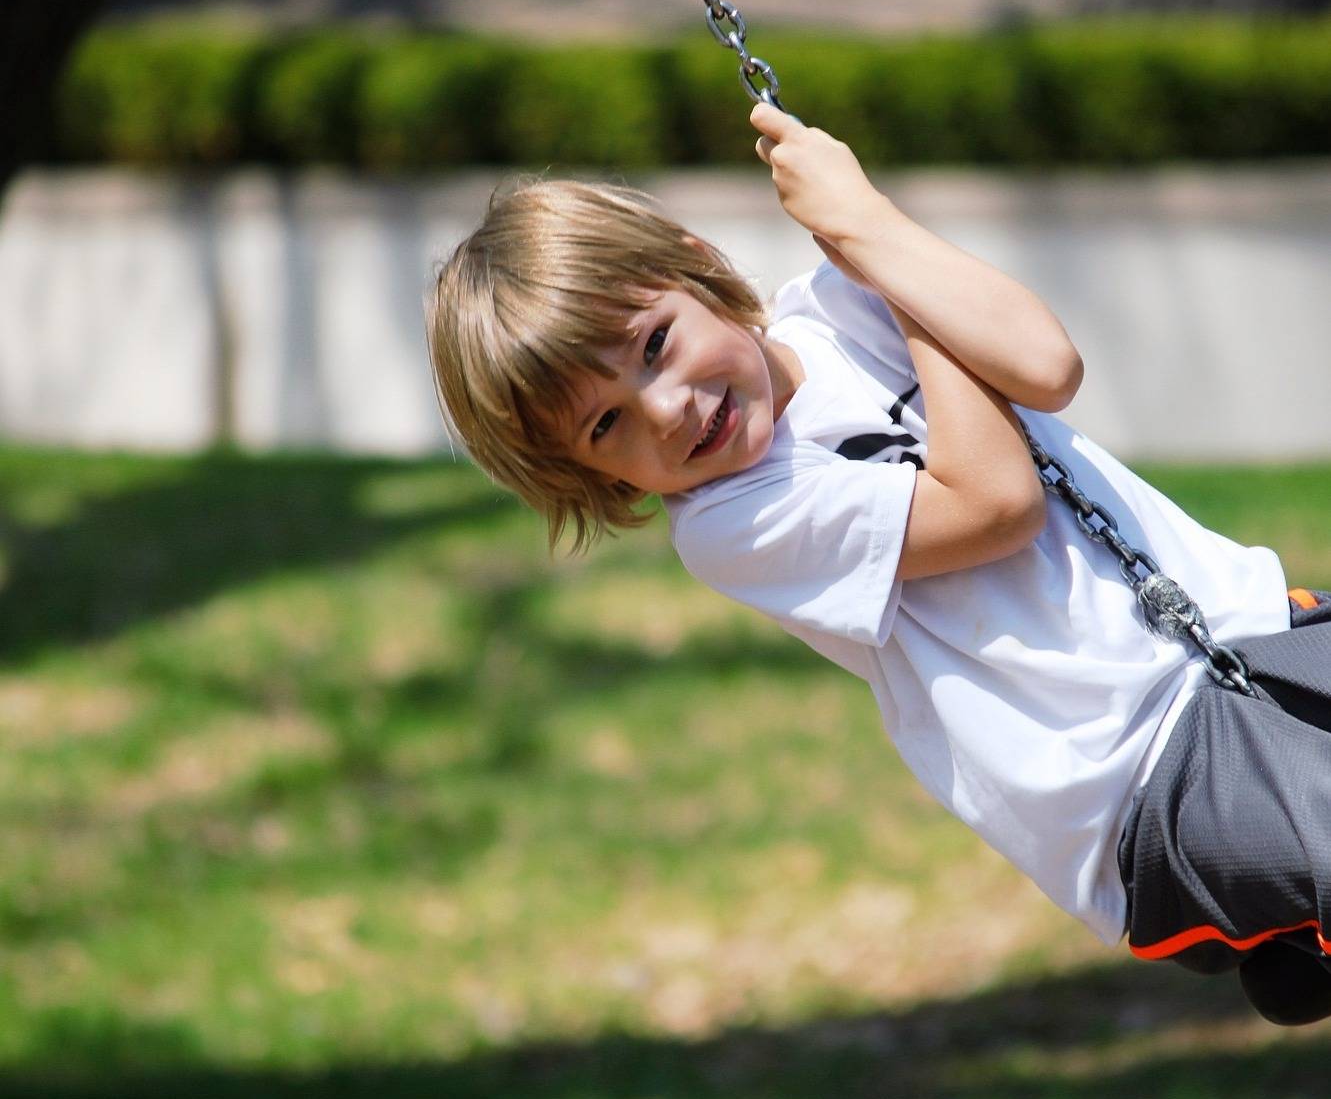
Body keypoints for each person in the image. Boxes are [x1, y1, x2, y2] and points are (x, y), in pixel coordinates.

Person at [427, 102, 1331, 1025]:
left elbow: (1045, 364)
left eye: (654, 344)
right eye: (606, 424)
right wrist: (883, 261)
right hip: (1137, 774)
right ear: (590, 475)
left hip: (1251, 629)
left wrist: (865, 226)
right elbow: (995, 504)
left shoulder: (835, 300)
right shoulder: (734, 519)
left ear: (695, 268)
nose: (665, 409)